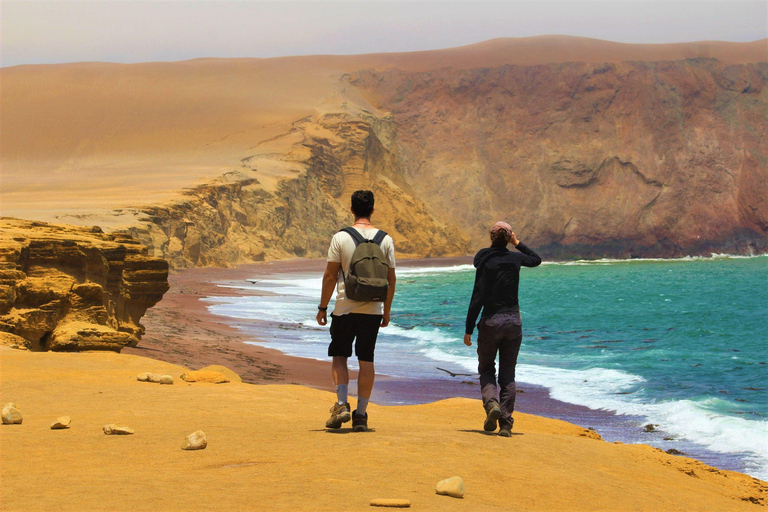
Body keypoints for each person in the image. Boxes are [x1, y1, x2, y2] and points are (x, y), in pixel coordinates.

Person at [316, 190, 397, 432]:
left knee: (340, 356)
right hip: (372, 310)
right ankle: (361, 414)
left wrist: (322, 307)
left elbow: (330, 275)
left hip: (345, 308)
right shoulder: (386, 239)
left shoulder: (340, 238)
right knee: (366, 360)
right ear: (373, 210)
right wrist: (386, 311)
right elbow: (391, 280)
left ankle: (342, 405)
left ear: (352, 209)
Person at [463, 221, 541, 436]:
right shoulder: (515, 258)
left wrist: (469, 328)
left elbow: (477, 296)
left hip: (490, 321)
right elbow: (536, 260)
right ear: (508, 238)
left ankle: (492, 406)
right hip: (513, 321)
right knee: (508, 374)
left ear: (491, 237)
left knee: (487, 368)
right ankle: (506, 424)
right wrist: (518, 243)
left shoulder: (484, 259)